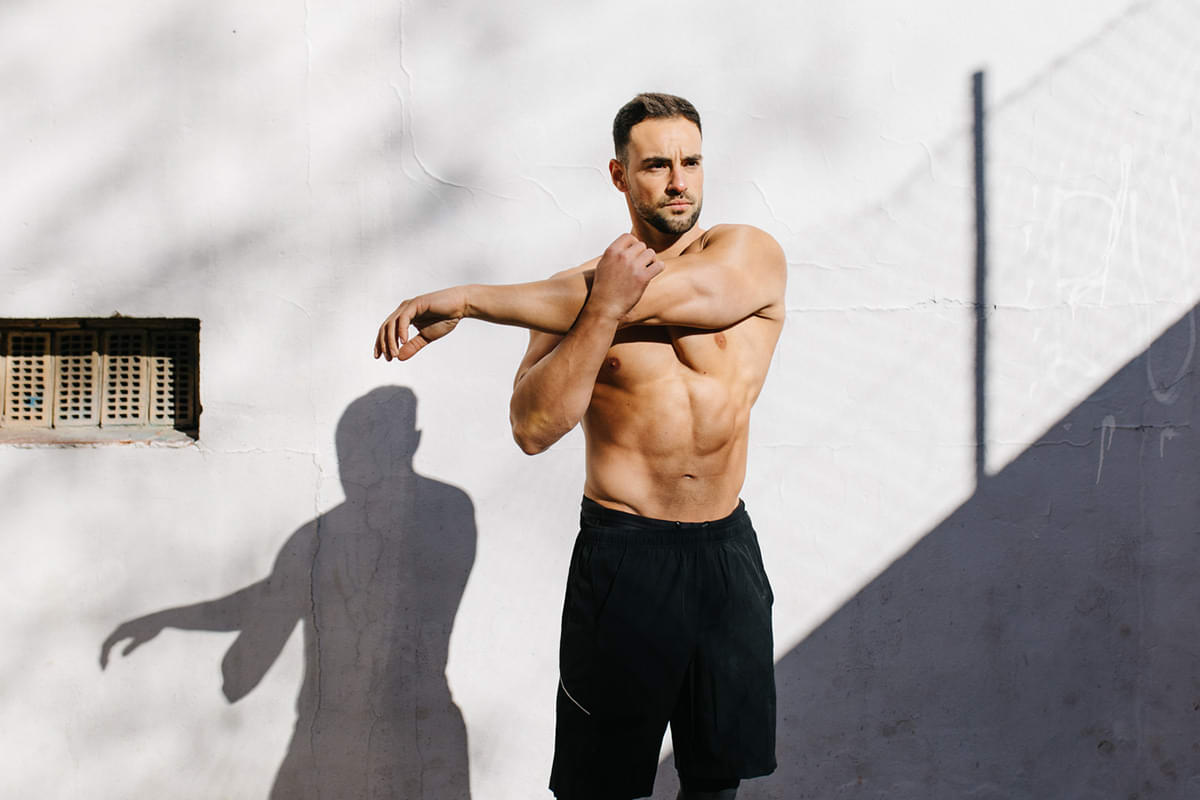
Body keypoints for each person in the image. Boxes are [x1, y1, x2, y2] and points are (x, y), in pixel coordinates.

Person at [374, 92, 786, 800]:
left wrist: (471, 300)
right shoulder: (567, 299)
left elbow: (674, 297)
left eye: (691, 162)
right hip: (625, 555)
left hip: (724, 555)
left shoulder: (750, 253)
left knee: (717, 781)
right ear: (620, 176)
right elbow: (535, 428)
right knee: (602, 787)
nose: (679, 181)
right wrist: (599, 312)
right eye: (657, 165)